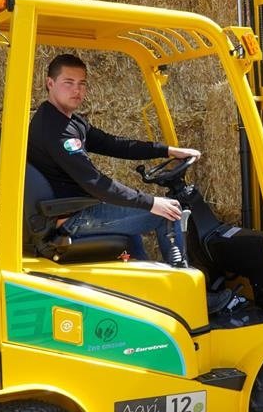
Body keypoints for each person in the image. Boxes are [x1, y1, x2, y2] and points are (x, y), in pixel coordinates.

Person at [27, 53, 200, 264]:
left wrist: (168, 150)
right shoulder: (56, 130)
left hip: (77, 210)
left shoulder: (68, 120)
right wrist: (151, 202)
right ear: (50, 83)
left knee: (134, 220)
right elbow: (95, 183)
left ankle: (142, 277)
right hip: (72, 219)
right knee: (169, 211)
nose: (77, 90)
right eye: (68, 83)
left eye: (82, 84)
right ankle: (181, 275)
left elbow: (114, 144)